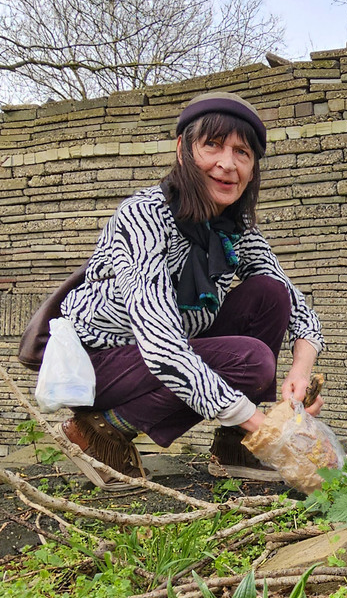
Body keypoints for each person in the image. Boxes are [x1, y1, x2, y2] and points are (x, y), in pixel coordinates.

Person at [57, 91, 325, 486]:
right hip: (95, 363)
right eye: (212, 145)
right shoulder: (144, 217)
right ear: (183, 148)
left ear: (253, 169)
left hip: (162, 353)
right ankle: (100, 429)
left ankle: (236, 445)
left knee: (268, 293)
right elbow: (163, 346)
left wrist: (300, 373)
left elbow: (294, 304)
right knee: (250, 360)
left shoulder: (235, 229)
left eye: (242, 153)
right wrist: (263, 423)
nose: (227, 164)